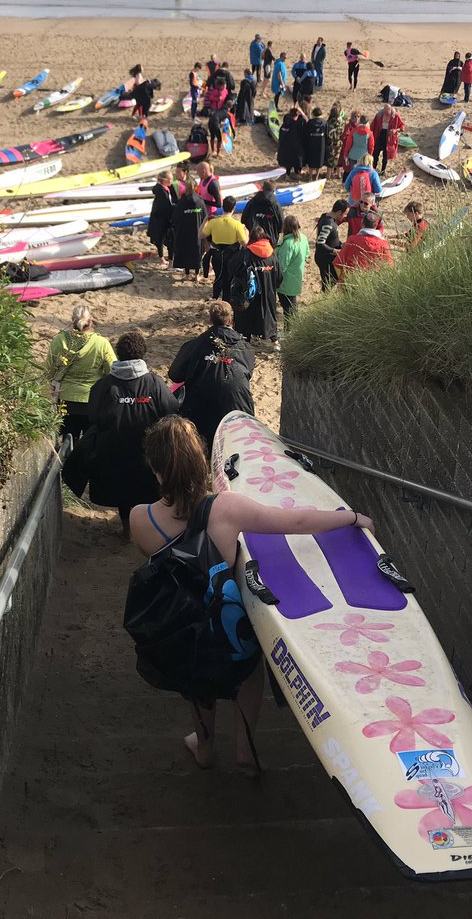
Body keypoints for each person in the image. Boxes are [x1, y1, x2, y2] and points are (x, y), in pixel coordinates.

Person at [129, 415, 374, 770]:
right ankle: (245, 751)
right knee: (247, 669)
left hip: (181, 628)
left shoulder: (140, 518)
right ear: (199, 460)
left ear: (157, 470)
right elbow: (297, 523)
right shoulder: (227, 510)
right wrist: (351, 518)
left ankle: (205, 748)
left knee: (197, 680)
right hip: (225, 625)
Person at [88, 330, 178, 538]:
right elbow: (171, 408)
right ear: (143, 354)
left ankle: (127, 530)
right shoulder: (154, 383)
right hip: (148, 448)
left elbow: (93, 415)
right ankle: (147, 528)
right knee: (149, 488)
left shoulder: (104, 385)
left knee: (123, 491)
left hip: (114, 448)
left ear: (118, 354)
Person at [168, 302, 255, 446]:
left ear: (210, 319)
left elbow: (175, 374)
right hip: (238, 408)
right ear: (231, 320)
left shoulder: (195, 344)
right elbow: (247, 373)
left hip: (201, 411)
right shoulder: (245, 347)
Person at [43, 305, 116, 442]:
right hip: (93, 400)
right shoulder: (101, 343)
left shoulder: (59, 341)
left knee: (67, 438)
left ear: (72, 320)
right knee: (91, 440)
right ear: (91, 321)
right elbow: (112, 370)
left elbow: (48, 371)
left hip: (65, 399)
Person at [227, 225, 282, 348]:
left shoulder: (245, 254)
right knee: (269, 319)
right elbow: (279, 276)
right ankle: (274, 341)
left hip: (248, 297)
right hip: (268, 296)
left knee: (245, 320)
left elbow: (231, 267)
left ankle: (245, 340)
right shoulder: (272, 255)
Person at [199, 196, 248, 300]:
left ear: (222, 206)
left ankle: (215, 297)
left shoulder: (213, 222)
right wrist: (246, 232)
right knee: (229, 279)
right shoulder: (237, 224)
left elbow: (200, 235)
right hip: (232, 256)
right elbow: (245, 244)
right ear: (234, 208)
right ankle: (226, 299)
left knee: (218, 276)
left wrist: (204, 221)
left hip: (217, 255)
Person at [276, 214, 310, 325]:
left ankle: (291, 333)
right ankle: (292, 331)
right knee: (292, 307)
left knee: (289, 310)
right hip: (296, 279)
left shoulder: (288, 243)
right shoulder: (303, 238)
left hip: (285, 283)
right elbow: (306, 255)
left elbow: (282, 266)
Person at [172, 175, 208, 280]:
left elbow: (176, 217)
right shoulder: (200, 201)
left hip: (184, 232)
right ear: (196, 187)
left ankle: (187, 274)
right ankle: (197, 275)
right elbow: (206, 217)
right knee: (197, 252)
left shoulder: (182, 202)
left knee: (185, 251)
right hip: (197, 231)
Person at [336, 211, 393, 276]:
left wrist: (342, 280)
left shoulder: (351, 240)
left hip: (352, 279)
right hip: (374, 281)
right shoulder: (383, 244)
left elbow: (338, 262)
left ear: (362, 223)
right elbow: (389, 267)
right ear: (376, 225)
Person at [314, 200, 348, 290]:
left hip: (326, 257)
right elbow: (320, 243)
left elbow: (332, 239)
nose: (345, 217)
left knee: (330, 283)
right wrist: (334, 251)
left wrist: (341, 244)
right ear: (339, 212)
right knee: (328, 285)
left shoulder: (327, 218)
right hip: (325, 259)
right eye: (345, 214)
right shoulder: (328, 223)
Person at [241, 179, 283, 247]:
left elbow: (243, 220)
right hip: (270, 242)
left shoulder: (252, 202)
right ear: (274, 191)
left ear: (262, 189)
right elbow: (281, 225)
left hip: (253, 240)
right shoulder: (276, 205)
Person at [147, 169, 176, 266]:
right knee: (165, 239)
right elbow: (166, 206)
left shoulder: (165, 189)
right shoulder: (161, 191)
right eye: (171, 179)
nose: (172, 181)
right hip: (161, 219)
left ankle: (162, 258)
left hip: (160, 218)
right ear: (166, 180)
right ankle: (165, 260)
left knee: (161, 239)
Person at [370, 102, 405, 174]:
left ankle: (383, 171)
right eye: (384, 111)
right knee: (375, 153)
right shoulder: (379, 115)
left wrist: (396, 130)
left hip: (389, 137)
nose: (386, 114)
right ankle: (373, 169)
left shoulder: (395, 116)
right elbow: (372, 126)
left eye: (387, 112)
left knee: (386, 155)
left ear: (391, 110)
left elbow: (402, 126)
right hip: (379, 135)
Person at [341, 111, 374, 179]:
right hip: (364, 156)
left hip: (353, 155)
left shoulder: (354, 131)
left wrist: (346, 154)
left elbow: (348, 144)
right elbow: (371, 146)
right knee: (362, 174)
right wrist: (370, 155)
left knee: (353, 173)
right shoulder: (369, 133)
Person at [277, 105, 305, 179]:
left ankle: (287, 175)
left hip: (285, 147)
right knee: (296, 160)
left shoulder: (284, 125)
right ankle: (296, 173)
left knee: (288, 161)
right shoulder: (295, 125)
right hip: (294, 147)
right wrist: (302, 113)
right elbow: (305, 122)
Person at [304, 107, 327, 180]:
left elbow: (306, 133)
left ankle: (310, 177)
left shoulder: (310, 122)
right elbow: (326, 133)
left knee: (311, 161)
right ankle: (316, 177)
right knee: (319, 162)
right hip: (321, 144)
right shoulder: (324, 122)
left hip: (311, 144)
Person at [326, 102, 345, 172]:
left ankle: (329, 173)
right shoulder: (342, 121)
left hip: (331, 142)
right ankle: (338, 173)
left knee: (331, 157)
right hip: (339, 142)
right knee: (338, 157)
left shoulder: (329, 122)